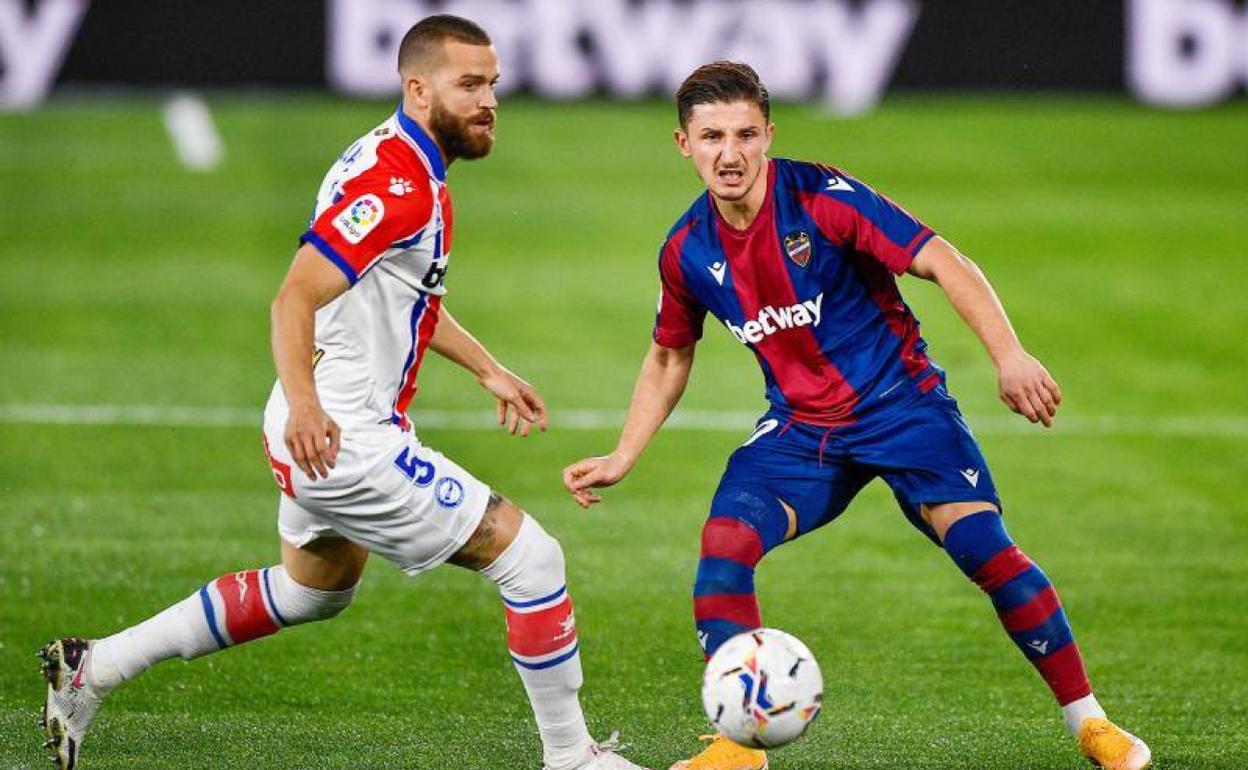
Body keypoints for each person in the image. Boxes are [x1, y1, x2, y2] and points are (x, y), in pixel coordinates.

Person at [38, 15, 646, 770]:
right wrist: (307, 407)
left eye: (492, 84)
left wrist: (486, 366)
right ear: (418, 88)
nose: (490, 101)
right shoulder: (397, 186)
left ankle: (92, 669)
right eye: (470, 85)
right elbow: (293, 297)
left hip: (314, 426)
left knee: (312, 592)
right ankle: (573, 759)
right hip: (341, 435)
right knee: (532, 560)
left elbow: (399, 288)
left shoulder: (398, 160)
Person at [563, 61, 1150, 770]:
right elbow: (669, 354)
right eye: (712, 136)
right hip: (804, 432)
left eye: (746, 134)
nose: (731, 153)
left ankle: (1090, 724)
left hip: (902, 408)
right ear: (683, 144)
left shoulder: (823, 197)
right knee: (723, 546)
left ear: (769, 135)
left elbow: (943, 261)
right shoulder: (686, 250)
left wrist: (1010, 356)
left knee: (985, 552)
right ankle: (740, 745)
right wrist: (625, 453)